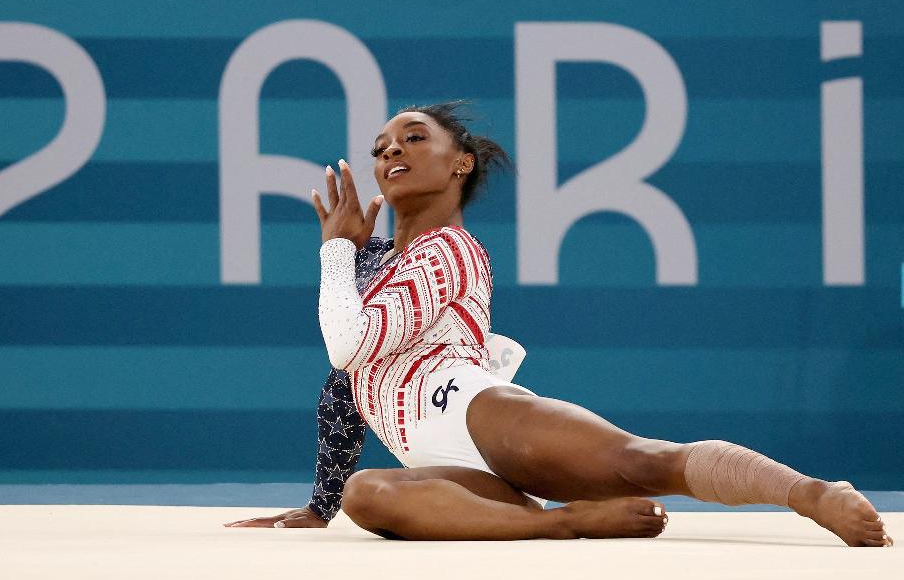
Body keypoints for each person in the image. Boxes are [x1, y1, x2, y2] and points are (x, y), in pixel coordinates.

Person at [226, 102, 893, 546]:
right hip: (433, 465)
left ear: (460, 162)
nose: (390, 150)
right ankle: (561, 522)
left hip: (476, 415)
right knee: (367, 495)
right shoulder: (373, 267)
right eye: (379, 146)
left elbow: (347, 345)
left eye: (413, 137)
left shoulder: (450, 250)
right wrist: (321, 501)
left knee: (643, 461)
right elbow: (345, 387)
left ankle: (810, 494)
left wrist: (334, 251)